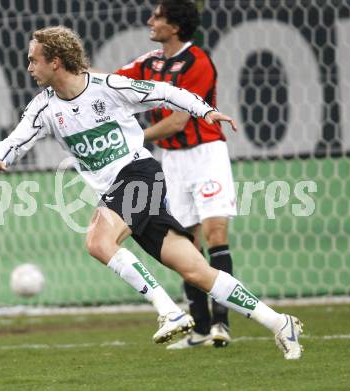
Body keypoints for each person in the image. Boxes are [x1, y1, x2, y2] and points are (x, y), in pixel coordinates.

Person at [0, 25, 303, 360]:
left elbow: (165, 92)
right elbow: (18, 138)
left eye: (33, 60)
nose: (29, 67)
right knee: (196, 270)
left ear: (56, 61)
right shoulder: (44, 107)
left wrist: (205, 110)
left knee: (97, 241)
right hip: (120, 190)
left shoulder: (108, 86)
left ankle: (169, 310)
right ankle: (280, 322)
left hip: (140, 173)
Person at [115, 0, 236, 349]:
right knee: (187, 243)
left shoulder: (198, 61)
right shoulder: (147, 63)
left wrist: (134, 138)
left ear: (175, 25)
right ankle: (199, 329)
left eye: (158, 16)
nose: (150, 20)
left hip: (206, 154)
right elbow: (107, 83)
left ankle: (221, 324)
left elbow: (181, 119)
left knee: (215, 233)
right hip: (172, 161)